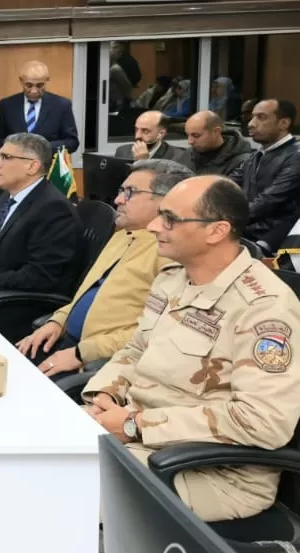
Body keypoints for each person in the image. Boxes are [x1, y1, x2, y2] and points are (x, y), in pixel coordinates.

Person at [82, 176, 300, 523]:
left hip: (214, 473)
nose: (154, 226)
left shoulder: (264, 308)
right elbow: (136, 349)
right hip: (135, 434)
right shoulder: (172, 278)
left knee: (53, 492)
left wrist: (137, 425)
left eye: (170, 219)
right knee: (28, 455)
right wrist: (105, 395)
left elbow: (264, 422)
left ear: (216, 231)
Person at [17, 159, 191, 378]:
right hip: (68, 341)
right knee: (1, 368)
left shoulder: (170, 254)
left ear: (166, 201)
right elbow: (87, 293)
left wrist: (82, 353)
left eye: (130, 192)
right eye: (121, 191)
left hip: (100, 361)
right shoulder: (123, 235)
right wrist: (58, 321)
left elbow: (155, 332)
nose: (118, 200)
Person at [0, 133, 85, 339]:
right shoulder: (7, 197)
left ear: (32, 166)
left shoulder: (54, 209)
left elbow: (40, 276)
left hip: (15, 308)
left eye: (5, 157)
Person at [229, 98, 300, 254]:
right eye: (252, 117)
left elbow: (269, 200)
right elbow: (225, 185)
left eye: (261, 117)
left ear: (283, 123)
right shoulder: (255, 155)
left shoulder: (296, 156)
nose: (251, 123)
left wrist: (228, 220)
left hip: (275, 239)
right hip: (247, 229)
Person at [0, 61, 79, 155]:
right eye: (28, 85)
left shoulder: (61, 105)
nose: (34, 91)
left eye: (40, 85)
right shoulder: (7, 105)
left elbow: (72, 142)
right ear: (21, 80)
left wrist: (42, 148)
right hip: (15, 161)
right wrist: (17, 148)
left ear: (47, 80)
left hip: (48, 162)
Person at [184, 110, 251, 177]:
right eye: (188, 135)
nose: (190, 141)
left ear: (216, 132)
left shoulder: (242, 163)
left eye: (196, 135)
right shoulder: (188, 153)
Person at [113, 111, 191, 167]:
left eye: (145, 131)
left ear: (161, 134)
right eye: (136, 130)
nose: (137, 136)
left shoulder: (179, 156)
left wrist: (143, 162)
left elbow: (164, 183)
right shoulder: (123, 151)